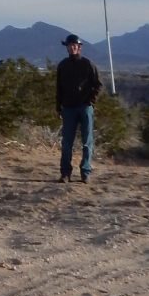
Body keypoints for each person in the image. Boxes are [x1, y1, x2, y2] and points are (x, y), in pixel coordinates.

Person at [56, 32, 103, 183]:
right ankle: (65, 173)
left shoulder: (88, 64)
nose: (72, 48)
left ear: (80, 47)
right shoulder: (63, 66)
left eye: (75, 46)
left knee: (87, 141)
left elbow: (98, 85)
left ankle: (86, 172)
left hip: (84, 108)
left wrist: (90, 100)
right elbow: (59, 88)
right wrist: (58, 107)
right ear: (67, 48)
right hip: (68, 108)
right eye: (70, 46)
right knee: (67, 142)